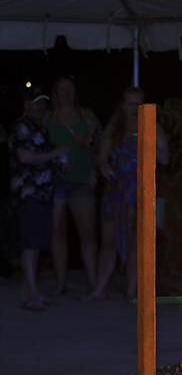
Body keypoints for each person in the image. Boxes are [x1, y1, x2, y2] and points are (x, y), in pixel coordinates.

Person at [86, 88, 169, 301]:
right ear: (122, 106)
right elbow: (101, 159)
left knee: (136, 242)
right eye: (130, 104)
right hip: (116, 191)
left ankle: (132, 291)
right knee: (109, 241)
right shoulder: (113, 130)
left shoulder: (152, 126)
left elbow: (164, 158)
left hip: (139, 191)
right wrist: (104, 168)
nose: (134, 109)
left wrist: (148, 141)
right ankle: (100, 288)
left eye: (138, 104)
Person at [9, 88, 68, 310]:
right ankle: (33, 294)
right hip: (28, 192)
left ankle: (29, 291)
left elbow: (43, 157)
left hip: (44, 192)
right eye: (35, 103)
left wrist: (59, 162)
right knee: (30, 243)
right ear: (26, 105)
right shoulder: (21, 127)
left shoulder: (40, 127)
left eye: (43, 103)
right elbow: (24, 157)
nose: (40, 107)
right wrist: (54, 154)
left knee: (36, 243)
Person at [48, 76, 101, 295]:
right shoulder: (48, 117)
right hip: (55, 182)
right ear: (56, 93)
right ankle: (61, 283)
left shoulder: (86, 115)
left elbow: (102, 142)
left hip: (81, 181)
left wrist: (88, 143)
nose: (66, 93)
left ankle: (94, 282)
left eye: (69, 88)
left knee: (87, 233)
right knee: (57, 232)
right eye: (61, 89)